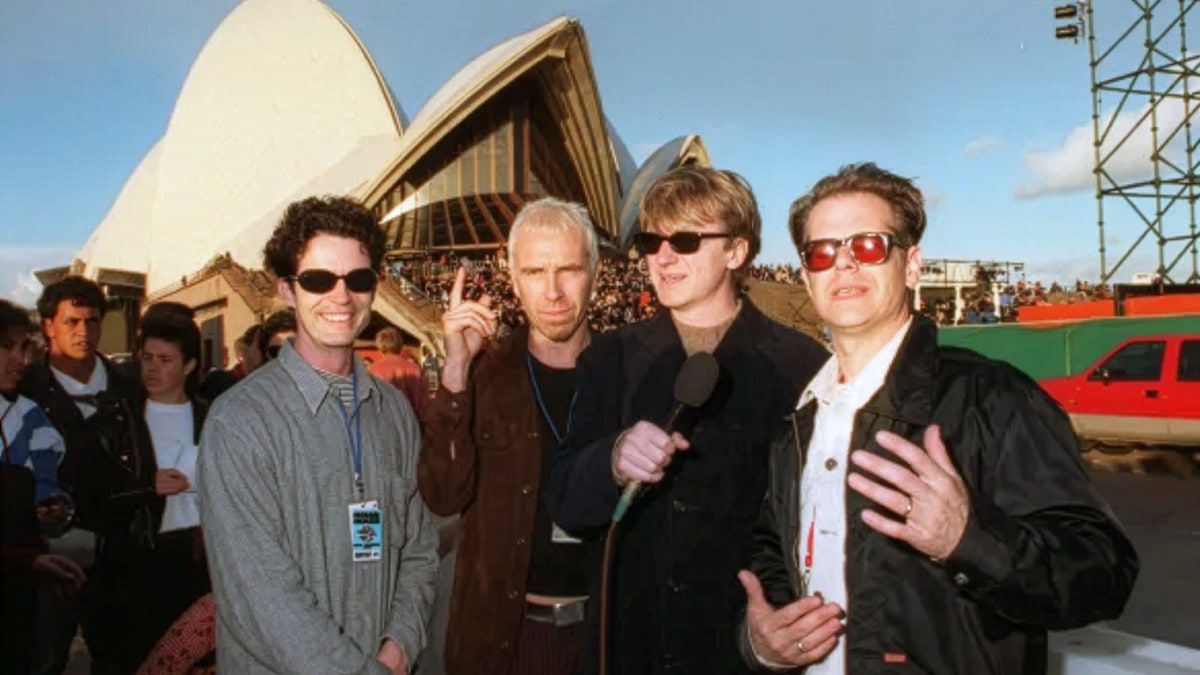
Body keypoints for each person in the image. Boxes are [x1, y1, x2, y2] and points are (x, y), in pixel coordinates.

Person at [739, 163, 1139, 674]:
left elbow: (1104, 575)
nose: (843, 264)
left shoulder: (993, 398)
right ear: (806, 277)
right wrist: (763, 642)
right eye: (822, 252)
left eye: (867, 246)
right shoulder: (798, 421)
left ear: (911, 266)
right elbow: (774, 555)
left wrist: (968, 538)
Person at [543, 167, 829, 674]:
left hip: (742, 650)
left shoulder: (801, 365)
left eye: (686, 240)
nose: (663, 257)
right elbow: (565, 500)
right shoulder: (610, 357)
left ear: (737, 252)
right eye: (651, 242)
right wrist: (609, 460)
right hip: (631, 647)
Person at [198, 195, 438, 675]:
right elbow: (260, 596)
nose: (341, 296)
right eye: (318, 280)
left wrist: (401, 644)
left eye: (359, 279)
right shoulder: (238, 422)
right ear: (288, 290)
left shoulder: (393, 411)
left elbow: (420, 548)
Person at [418, 197, 600, 674]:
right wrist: (455, 368)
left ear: (595, 273)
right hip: (503, 640)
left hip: (603, 638)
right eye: (536, 272)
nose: (554, 291)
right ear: (514, 280)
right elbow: (441, 494)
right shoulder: (485, 375)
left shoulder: (628, 374)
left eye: (569, 269)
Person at [21, 275, 165, 675]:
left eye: (93, 321)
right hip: (50, 557)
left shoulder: (132, 387)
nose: (84, 332)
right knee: (41, 660)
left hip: (124, 557)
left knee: (124, 661)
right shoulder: (23, 393)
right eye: (72, 322)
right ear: (49, 325)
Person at [0, 299, 85, 674]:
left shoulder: (31, 419)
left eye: (23, 348)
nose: (21, 360)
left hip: (17, 605)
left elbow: (49, 489)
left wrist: (55, 508)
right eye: (7, 348)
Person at [137, 303, 212, 650]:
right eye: (147, 358)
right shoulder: (124, 419)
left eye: (165, 360)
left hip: (200, 556)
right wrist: (143, 487)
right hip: (143, 555)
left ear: (189, 365)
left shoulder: (213, 417)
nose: (153, 369)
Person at [369, 327, 427, 423]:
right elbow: (423, 404)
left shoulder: (373, 370)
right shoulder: (414, 369)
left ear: (379, 346)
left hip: (383, 424)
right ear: (400, 345)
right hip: (410, 423)